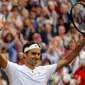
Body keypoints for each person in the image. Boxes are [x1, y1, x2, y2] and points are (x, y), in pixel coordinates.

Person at [0, 16, 85, 85]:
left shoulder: (44, 70)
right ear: (25, 54)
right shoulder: (14, 69)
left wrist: (82, 43)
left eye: (38, 54)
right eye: (33, 53)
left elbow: (67, 60)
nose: (37, 56)